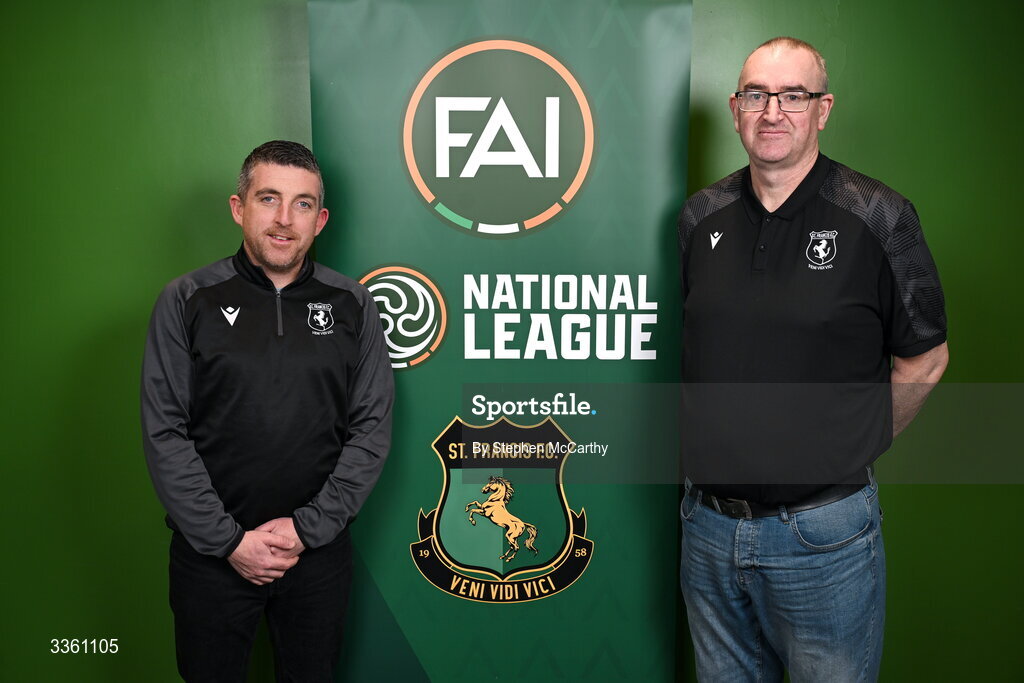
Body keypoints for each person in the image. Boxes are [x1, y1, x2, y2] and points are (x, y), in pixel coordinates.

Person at [676, 37, 948, 682]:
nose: (772, 111)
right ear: (736, 106)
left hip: (822, 538)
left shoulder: (879, 215)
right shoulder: (697, 218)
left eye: (792, 96)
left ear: (821, 110)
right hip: (707, 532)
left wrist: (848, 448)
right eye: (756, 95)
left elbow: (925, 359)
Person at [141, 140, 394, 682]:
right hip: (210, 556)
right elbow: (165, 432)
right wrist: (230, 541)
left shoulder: (353, 304)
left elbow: (370, 430)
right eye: (269, 199)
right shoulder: (186, 299)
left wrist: (308, 528)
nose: (284, 220)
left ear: (320, 219)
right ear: (239, 207)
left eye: (302, 204)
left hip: (317, 557)